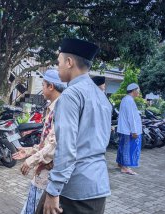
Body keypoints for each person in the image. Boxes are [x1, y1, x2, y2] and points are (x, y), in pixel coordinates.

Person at [42, 38, 112, 214]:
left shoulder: (71, 95)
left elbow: (66, 148)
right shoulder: (101, 96)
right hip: (98, 186)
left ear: (69, 62)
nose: (58, 68)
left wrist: (53, 191)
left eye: (58, 63)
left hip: (74, 190)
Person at [12, 69, 65, 214]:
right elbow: (47, 142)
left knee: (38, 208)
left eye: (43, 85)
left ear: (51, 87)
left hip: (50, 174)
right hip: (44, 171)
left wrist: (31, 161)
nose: (41, 89)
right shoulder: (52, 107)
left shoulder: (61, 108)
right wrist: (28, 151)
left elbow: (54, 146)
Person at [116, 83, 142, 175]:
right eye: (138, 90)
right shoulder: (129, 101)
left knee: (123, 147)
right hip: (128, 130)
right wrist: (134, 131)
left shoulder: (125, 99)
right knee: (128, 148)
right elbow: (131, 117)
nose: (138, 92)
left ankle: (120, 163)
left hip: (125, 129)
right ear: (133, 90)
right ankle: (125, 167)